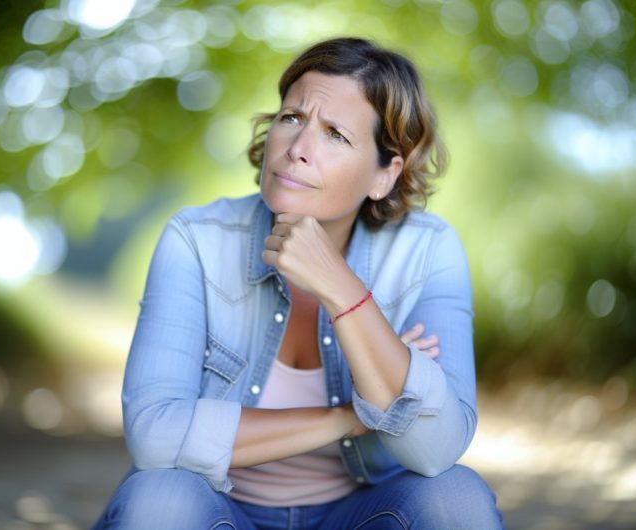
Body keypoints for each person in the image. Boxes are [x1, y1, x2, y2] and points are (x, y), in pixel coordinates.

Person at [93, 37, 502, 529]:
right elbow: (154, 436)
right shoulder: (196, 239)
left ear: (384, 174)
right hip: (219, 511)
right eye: (292, 118)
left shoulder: (427, 252)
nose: (299, 150)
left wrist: (341, 288)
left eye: (335, 135)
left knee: (457, 499)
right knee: (159, 499)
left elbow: (436, 450)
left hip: (362, 513)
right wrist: (351, 416)